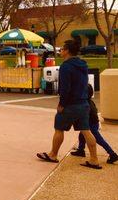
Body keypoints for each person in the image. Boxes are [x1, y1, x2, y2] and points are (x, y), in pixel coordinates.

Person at [37, 40, 101, 169]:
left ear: (67, 51)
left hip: (70, 104)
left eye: (62, 49)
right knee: (86, 131)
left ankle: (53, 154)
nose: (60, 51)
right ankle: (94, 159)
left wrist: (62, 104)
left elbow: (65, 88)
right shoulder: (83, 64)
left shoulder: (66, 66)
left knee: (59, 128)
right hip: (84, 103)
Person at [71, 84, 118, 164]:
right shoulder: (89, 101)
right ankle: (81, 150)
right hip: (93, 123)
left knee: (98, 139)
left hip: (91, 125)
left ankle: (112, 154)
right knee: (81, 135)